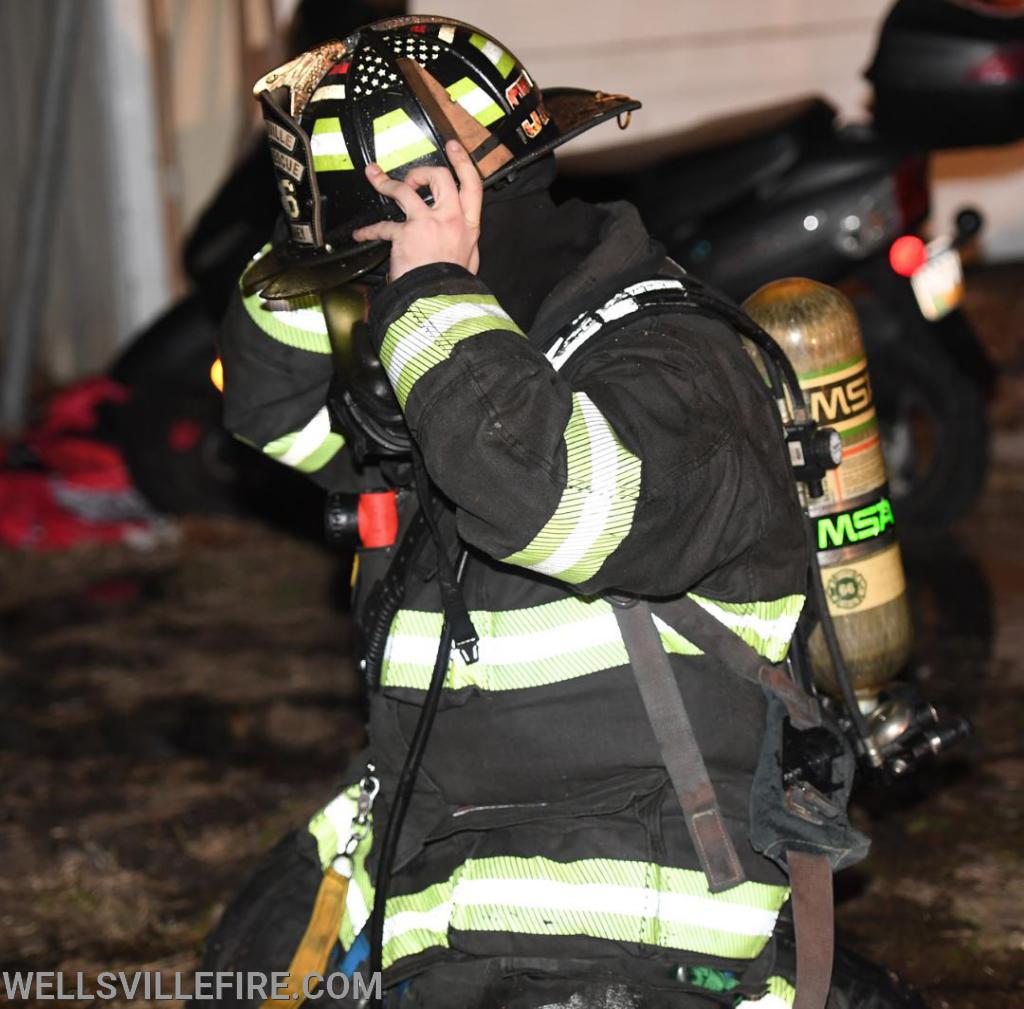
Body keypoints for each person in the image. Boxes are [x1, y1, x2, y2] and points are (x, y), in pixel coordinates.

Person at [204, 16, 924, 1009]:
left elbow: (559, 504)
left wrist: (432, 298)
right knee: (243, 970)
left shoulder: (667, 359)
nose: (371, 305)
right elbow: (274, 413)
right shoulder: (467, 369)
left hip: (624, 915)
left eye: (372, 273)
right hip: (456, 869)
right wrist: (314, 238)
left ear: (456, 214)